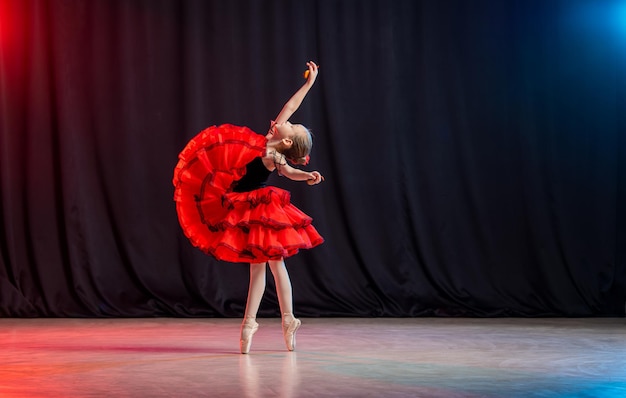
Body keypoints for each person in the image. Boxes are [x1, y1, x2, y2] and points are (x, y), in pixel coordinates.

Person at [172, 61, 323, 354]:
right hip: (244, 205)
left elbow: (290, 172)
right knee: (260, 269)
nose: (285, 119)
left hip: (258, 208)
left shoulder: (272, 153)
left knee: (273, 265)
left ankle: (274, 321)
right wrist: (308, 84)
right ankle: (259, 324)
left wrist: (306, 176)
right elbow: (291, 106)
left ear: (287, 138)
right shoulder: (272, 140)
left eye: (290, 125)